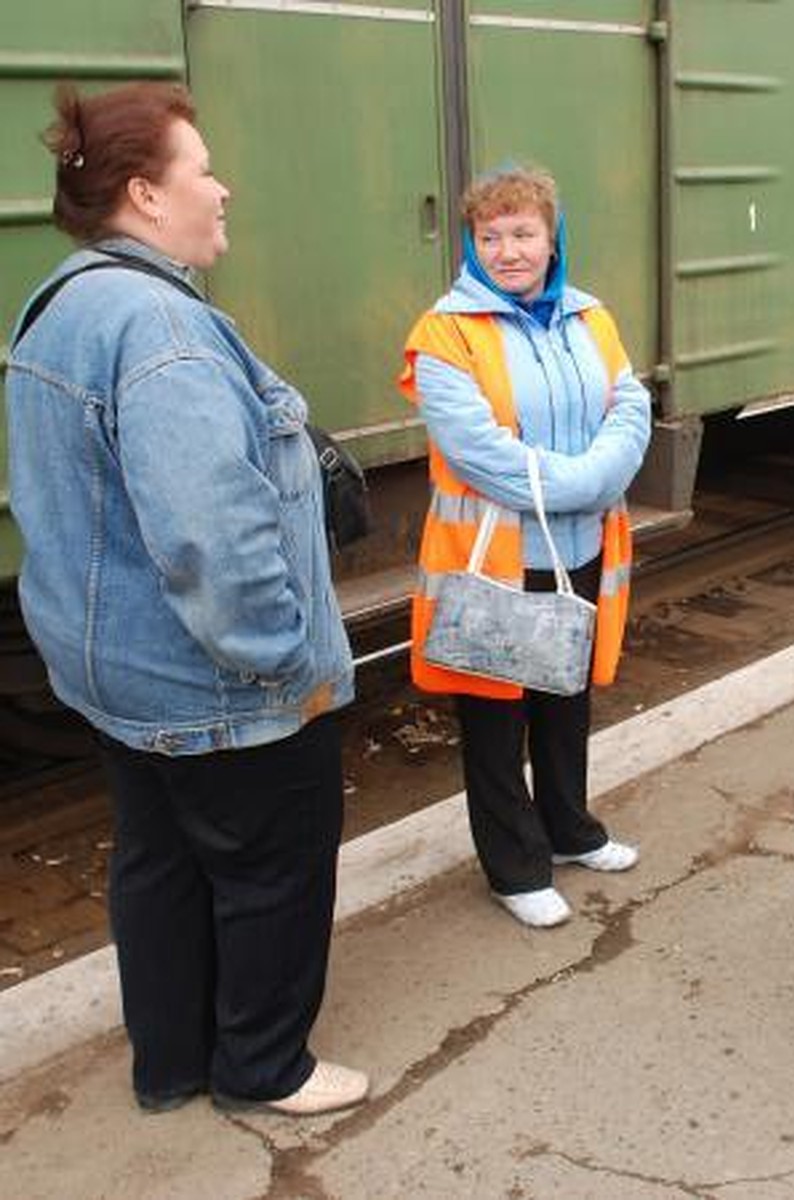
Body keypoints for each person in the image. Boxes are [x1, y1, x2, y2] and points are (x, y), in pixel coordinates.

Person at [5, 83, 367, 1115]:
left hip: (119, 673)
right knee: (271, 875)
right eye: (201, 169)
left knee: (159, 866)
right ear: (143, 195)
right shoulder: (162, 328)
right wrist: (286, 662)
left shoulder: (63, 302)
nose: (222, 187)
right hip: (217, 683)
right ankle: (265, 1068)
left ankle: (169, 1064)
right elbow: (212, 532)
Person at [397, 165, 651, 929]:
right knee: (496, 717)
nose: (508, 250)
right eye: (491, 236)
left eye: (523, 233)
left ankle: (570, 830)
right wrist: (588, 480)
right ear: (473, 244)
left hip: (578, 547)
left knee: (566, 697)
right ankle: (514, 866)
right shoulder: (444, 332)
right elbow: (478, 452)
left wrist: (597, 473)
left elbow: (630, 403)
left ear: (552, 238)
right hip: (495, 556)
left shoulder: (589, 317)